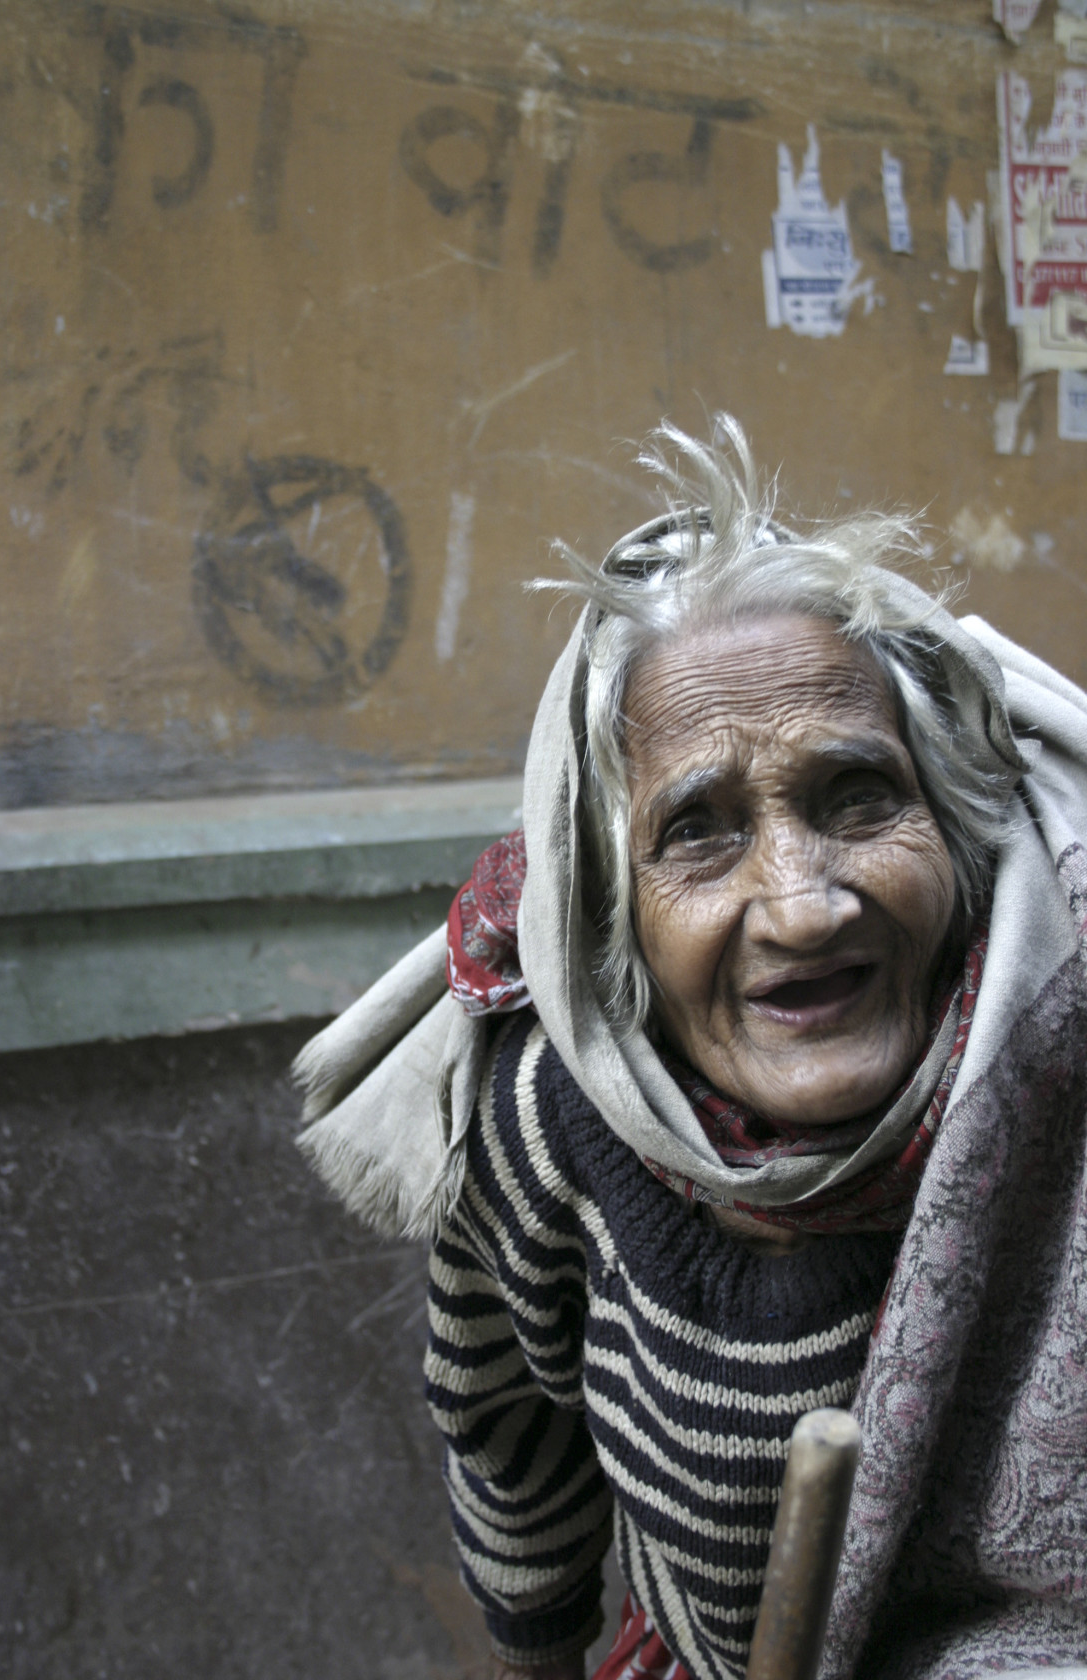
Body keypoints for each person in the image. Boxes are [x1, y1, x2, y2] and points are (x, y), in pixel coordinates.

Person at [295, 420, 1087, 1680]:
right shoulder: (549, 1121)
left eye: (857, 797)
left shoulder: (1058, 1062)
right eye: (700, 834)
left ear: (952, 826)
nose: (802, 903)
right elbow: (510, 1438)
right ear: (612, 915)